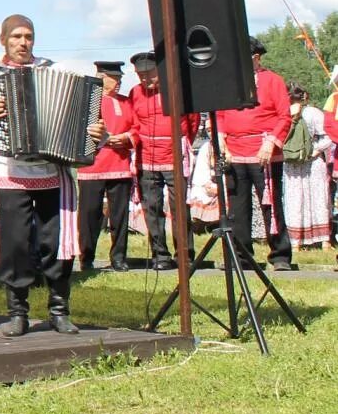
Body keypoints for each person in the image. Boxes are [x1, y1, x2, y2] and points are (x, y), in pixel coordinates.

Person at [0, 15, 104, 336]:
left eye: (28, 36)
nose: (23, 43)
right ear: (3, 40)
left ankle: (59, 309)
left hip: (53, 171)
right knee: (16, 244)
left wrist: (95, 132)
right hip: (10, 173)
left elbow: (85, 118)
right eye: (16, 37)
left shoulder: (52, 70)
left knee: (56, 242)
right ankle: (17, 313)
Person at [216, 37, 297, 271]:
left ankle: (280, 255)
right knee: (238, 206)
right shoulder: (229, 82)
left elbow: (284, 116)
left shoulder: (273, 81)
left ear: (256, 58)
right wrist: (221, 139)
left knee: (271, 204)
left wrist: (271, 143)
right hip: (235, 152)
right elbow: (220, 114)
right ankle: (241, 256)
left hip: (264, 152)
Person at [127, 50, 197, 271]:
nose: (146, 79)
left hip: (174, 155)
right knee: (152, 207)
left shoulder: (177, 90)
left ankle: (184, 254)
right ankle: (160, 254)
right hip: (147, 158)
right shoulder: (135, 93)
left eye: (150, 74)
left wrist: (181, 142)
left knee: (179, 208)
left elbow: (192, 122)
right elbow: (134, 122)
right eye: (141, 76)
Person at [76, 60, 135, 272]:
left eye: (120, 79)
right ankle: (86, 257)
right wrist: (105, 139)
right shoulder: (87, 101)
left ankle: (119, 257)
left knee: (119, 214)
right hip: (94, 165)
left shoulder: (127, 102)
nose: (118, 83)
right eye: (114, 78)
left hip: (120, 163)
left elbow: (136, 127)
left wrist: (127, 137)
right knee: (89, 215)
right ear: (101, 77)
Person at [280, 83, 333, 251]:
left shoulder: (283, 113)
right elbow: (327, 137)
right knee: (318, 199)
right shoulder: (314, 113)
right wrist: (316, 150)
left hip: (291, 162)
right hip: (313, 162)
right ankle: (324, 241)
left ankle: (295, 243)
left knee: (294, 200)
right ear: (305, 96)